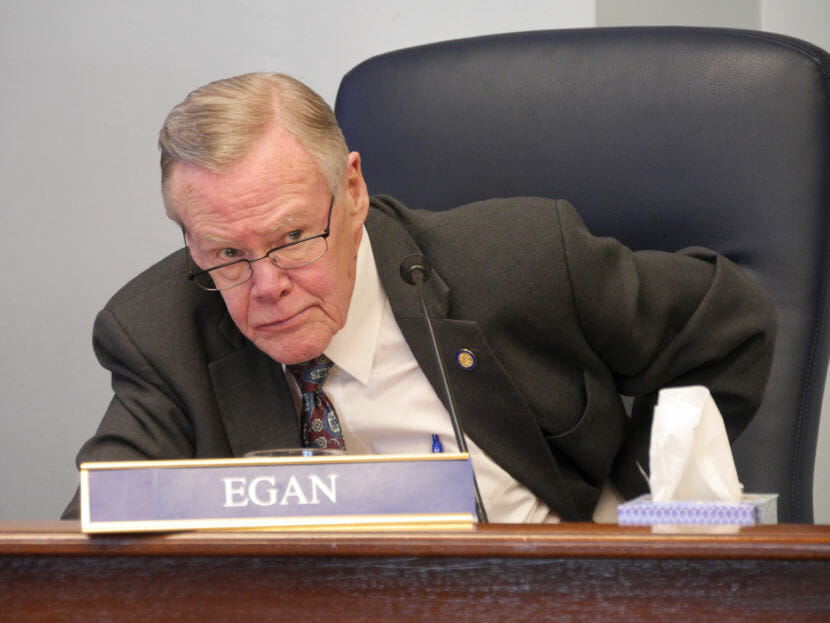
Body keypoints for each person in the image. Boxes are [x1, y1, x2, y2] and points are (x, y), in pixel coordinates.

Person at [61, 72, 776, 522]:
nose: (267, 286)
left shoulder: (520, 260)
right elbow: (83, 554)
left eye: (291, 238)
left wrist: (627, 515)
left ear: (353, 189)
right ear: (189, 240)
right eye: (226, 255)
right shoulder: (159, 332)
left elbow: (729, 322)